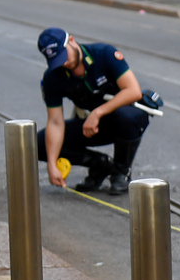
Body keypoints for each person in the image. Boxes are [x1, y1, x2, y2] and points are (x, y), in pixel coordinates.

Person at [35, 28, 151, 195]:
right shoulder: (52, 77)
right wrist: (52, 165)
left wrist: (98, 112)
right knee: (38, 143)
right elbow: (55, 122)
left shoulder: (104, 53)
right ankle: (100, 165)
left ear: (72, 41)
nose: (64, 63)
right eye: (58, 61)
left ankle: (121, 172)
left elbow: (133, 91)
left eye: (64, 55)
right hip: (90, 126)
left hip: (122, 122)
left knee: (128, 117)